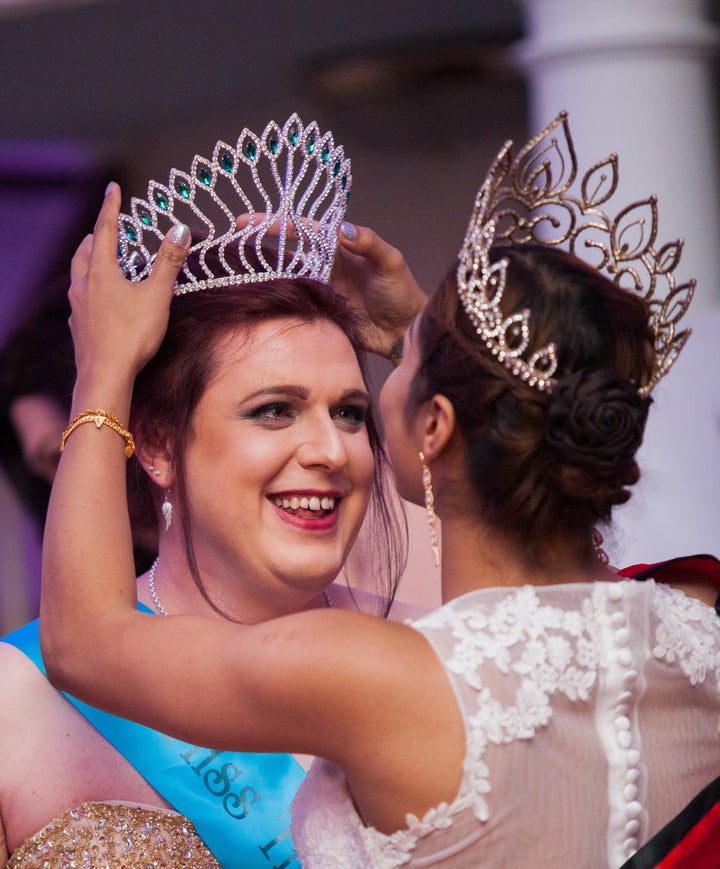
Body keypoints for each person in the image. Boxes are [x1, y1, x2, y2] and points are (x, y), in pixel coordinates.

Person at [40, 113, 720, 867]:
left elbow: (82, 642)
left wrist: (103, 372)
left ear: (434, 425)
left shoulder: (377, 672)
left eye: (366, 396)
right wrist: (449, 357)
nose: (332, 448)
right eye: (275, 409)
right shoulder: (694, 626)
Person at [1, 115, 425, 867]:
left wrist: (423, 345)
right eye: (274, 410)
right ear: (159, 443)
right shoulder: (16, 692)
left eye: (350, 413)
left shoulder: (423, 649)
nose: (328, 450)